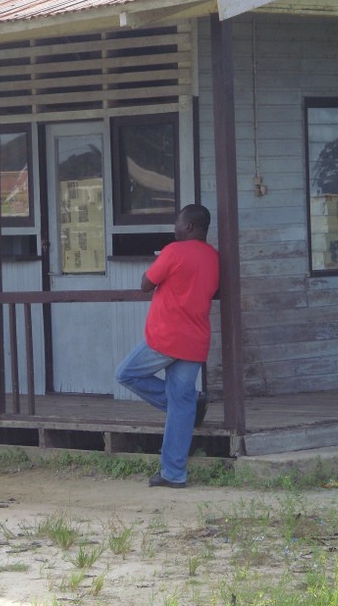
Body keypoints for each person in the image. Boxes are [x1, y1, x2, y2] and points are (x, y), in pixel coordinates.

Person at [115, 203, 219, 488]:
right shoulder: (213, 257)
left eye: (177, 222)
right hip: (195, 340)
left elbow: (145, 283)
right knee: (182, 403)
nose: (174, 226)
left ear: (188, 226)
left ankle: (188, 407)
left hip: (166, 338)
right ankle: (173, 474)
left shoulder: (173, 251)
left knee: (126, 374)